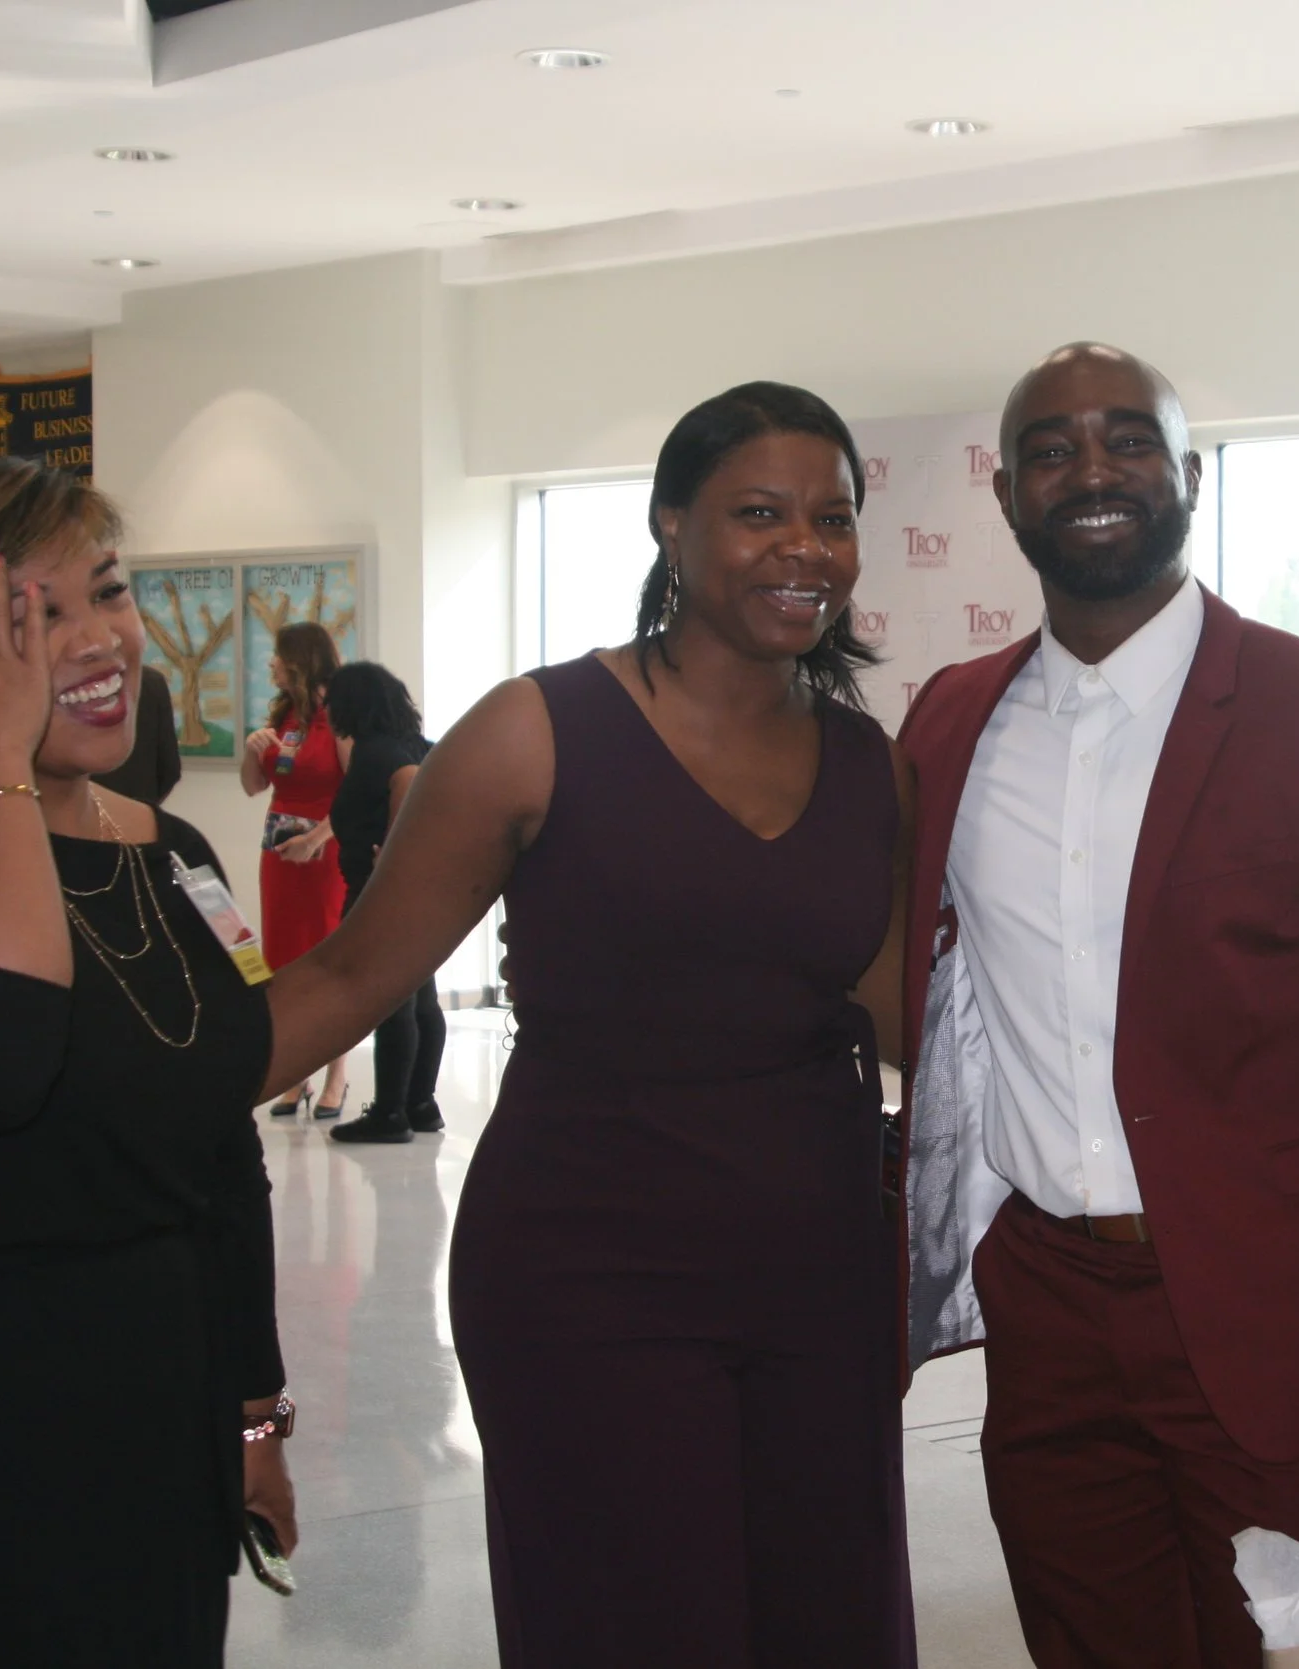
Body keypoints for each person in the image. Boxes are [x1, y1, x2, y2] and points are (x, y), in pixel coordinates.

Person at [258, 382, 918, 1668]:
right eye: (760, 513)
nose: (804, 547)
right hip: (589, 1270)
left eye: (833, 519)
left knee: (829, 1622)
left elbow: (905, 1015)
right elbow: (347, 977)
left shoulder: (866, 762)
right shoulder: (537, 730)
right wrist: (132, 1097)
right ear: (670, 523)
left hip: (819, 1270)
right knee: (630, 1622)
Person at [896, 345, 1299, 1669]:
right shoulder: (953, 722)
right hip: (1047, 1319)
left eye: (1129, 439)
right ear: (1007, 494)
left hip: (1280, 1321)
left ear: (1190, 477)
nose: (1091, 470)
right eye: (1051, 449)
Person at [0, 451, 297, 1666]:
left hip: (163, 1423)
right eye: (27, 618)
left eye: (107, 592)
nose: (95, 641)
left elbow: (219, 1146)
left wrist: (253, 1415)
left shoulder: (178, 855)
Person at [321, 662, 442, 1145]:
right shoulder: (418, 745)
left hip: (383, 890)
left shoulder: (376, 753)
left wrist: (393, 852)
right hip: (423, 890)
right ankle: (420, 1103)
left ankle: (390, 1112)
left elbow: (406, 784)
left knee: (393, 1002)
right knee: (421, 999)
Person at [240, 620, 349, 1119]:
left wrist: (315, 839)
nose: (272, 664)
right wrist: (252, 751)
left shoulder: (339, 715)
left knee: (327, 957)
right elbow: (253, 787)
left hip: (325, 855)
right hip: (280, 857)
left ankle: (336, 1075)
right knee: (281, 959)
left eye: (279, 655)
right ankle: (294, 1073)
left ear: (300, 662)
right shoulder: (284, 716)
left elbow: (355, 791)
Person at [94, 660, 181, 805]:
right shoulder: (152, 681)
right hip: (140, 803)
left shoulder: (71, 679)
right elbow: (170, 769)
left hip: (80, 810)